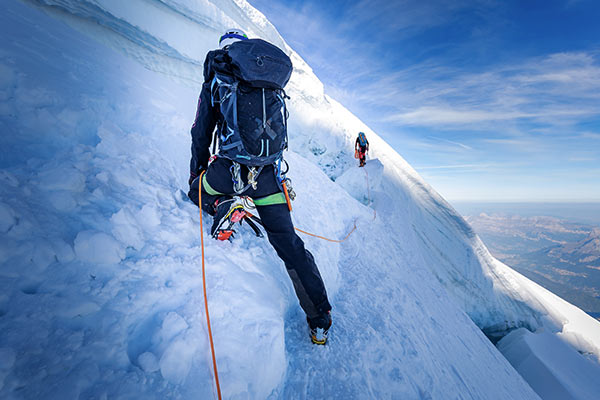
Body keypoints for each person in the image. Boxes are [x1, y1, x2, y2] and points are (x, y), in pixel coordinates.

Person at [187, 29, 332, 344]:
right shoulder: (268, 81)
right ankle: (319, 318)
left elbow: (201, 131)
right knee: (289, 244)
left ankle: (223, 205)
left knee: (197, 192)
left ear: (225, 50)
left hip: (227, 171)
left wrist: (197, 173)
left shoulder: (218, 78)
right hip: (267, 178)